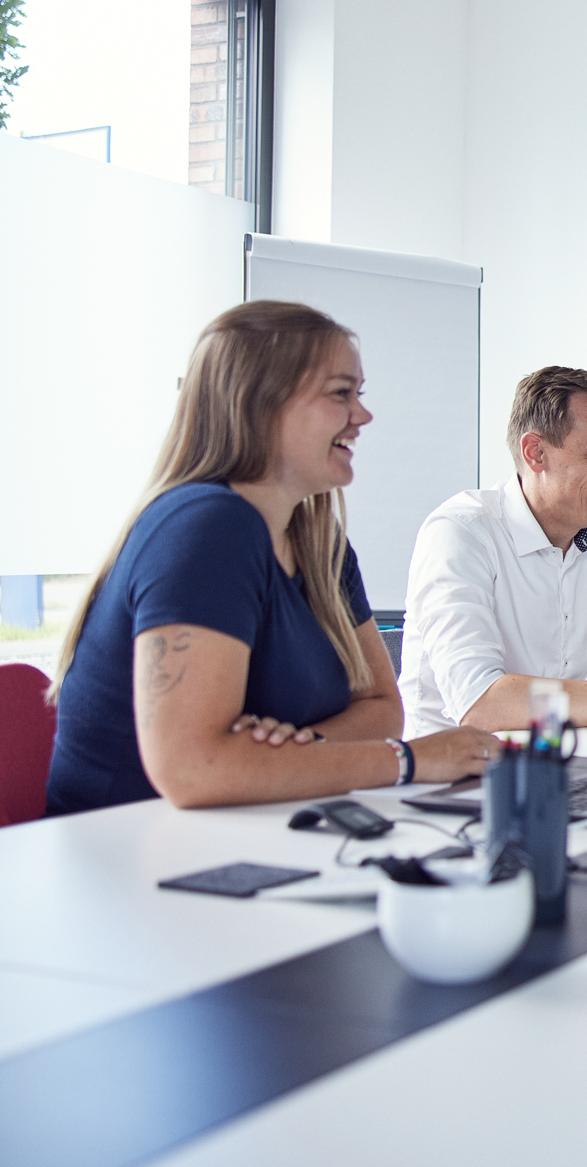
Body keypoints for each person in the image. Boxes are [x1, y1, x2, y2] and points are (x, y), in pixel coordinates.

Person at [45, 303, 496, 814]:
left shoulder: (319, 543)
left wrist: (283, 756)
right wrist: (409, 762)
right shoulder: (207, 527)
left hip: (246, 828)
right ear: (260, 404)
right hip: (128, 856)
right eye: (340, 393)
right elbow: (193, 770)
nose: (363, 415)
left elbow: (380, 709)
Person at [400, 367, 587, 736]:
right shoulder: (460, 534)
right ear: (535, 452)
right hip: (454, 778)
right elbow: (484, 705)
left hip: (553, 758)